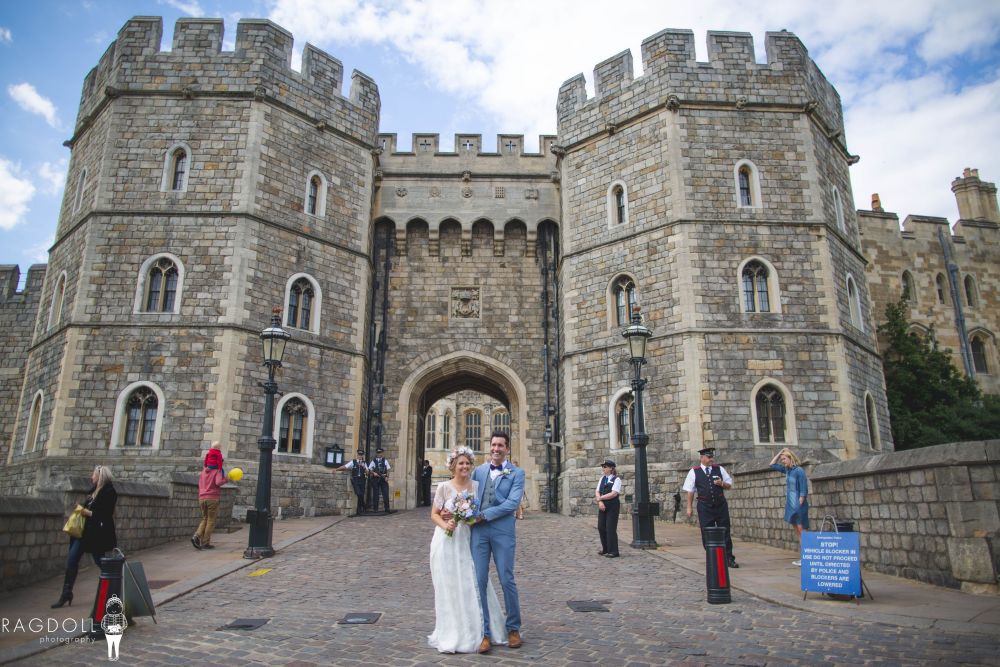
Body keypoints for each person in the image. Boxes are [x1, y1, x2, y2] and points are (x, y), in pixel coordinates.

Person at [428, 447, 506, 653]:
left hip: (468, 539)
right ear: (453, 465)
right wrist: (446, 525)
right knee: (450, 585)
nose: (464, 466)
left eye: (467, 463)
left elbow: (479, 513)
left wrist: (470, 517)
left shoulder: (476, 486)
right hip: (445, 540)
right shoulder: (444, 487)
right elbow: (434, 514)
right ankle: (453, 629)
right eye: (460, 463)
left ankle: (480, 630)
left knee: (473, 581)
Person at [469, 430, 525, 653]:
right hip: (479, 533)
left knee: (506, 579)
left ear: (507, 449)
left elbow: (512, 503)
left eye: (500, 445)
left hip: (503, 531)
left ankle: (513, 628)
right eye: (493, 445)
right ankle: (484, 633)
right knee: (479, 580)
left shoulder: (516, 473)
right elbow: (469, 497)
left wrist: (485, 514)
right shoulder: (479, 471)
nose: (496, 449)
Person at [52, 464, 118, 608]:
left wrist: (88, 513)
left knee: (100, 561)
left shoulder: (109, 492)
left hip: (97, 534)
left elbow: (106, 514)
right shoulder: (93, 491)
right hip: (83, 533)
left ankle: (115, 588)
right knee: (72, 560)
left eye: (93, 474)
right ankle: (66, 593)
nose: (91, 477)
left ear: (100, 476)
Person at [683, 447, 738, 568]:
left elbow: (729, 485)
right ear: (702, 458)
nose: (711, 459)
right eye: (709, 457)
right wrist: (689, 507)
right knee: (707, 532)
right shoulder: (694, 471)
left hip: (720, 505)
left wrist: (722, 484)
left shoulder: (719, 469)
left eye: (712, 457)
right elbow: (690, 491)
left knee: (725, 531)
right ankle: (712, 558)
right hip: (704, 506)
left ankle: (729, 558)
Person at [770, 447, 809, 566]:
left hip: (798, 504)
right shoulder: (787, 470)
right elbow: (772, 464)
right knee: (797, 531)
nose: (783, 461)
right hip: (790, 504)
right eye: (782, 459)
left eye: (784, 459)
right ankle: (804, 557)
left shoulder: (799, 471)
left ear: (790, 458)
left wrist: (799, 504)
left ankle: (807, 558)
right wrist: (780, 452)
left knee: (802, 531)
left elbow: (803, 489)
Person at [192, 456, 227, 550]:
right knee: (211, 520)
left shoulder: (204, 471)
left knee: (205, 518)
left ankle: (197, 535)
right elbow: (219, 482)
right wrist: (227, 479)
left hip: (202, 497)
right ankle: (205, 543)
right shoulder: (217, 471)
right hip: (212, 498)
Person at [595, 459, 622, 558]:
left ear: (611, 468)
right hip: (602, 505)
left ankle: (614, 551)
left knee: (610, 528)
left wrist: (600, 498)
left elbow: (614, 493)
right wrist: (600, 502)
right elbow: (597, 491)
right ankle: (605, 549)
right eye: (603, 467)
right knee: (601, 527)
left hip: (612, 505)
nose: (603, 468)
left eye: (605, 467)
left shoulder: (616, 479)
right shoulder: (602, 479)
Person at [335, 449, 369, 515]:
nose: (360, 456)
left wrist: (364, 467)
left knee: (361, 494)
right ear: (357, 455)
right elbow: (345, 466)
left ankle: (359, 511)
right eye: (359, 455)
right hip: (355, 479)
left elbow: (368, 473)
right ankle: (364, 506)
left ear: (362, 456)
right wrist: (336, 469)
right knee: (358, 493)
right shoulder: (353, 462)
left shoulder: (364, 463)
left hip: (362, 480)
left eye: (361, 455)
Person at [368, 447, 391, 513]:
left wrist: (387, 477)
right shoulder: (374, 461)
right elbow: (369, 470)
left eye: (380, 453)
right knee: (376, 494)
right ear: (376, 453)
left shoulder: (385, 461)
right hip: (376, 479)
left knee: (385, 494)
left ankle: (387, 508)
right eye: (378, 453)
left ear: (382, 453)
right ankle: (375, 509)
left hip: (383, 479)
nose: (379, 454)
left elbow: (388, 469)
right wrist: (373, 473)